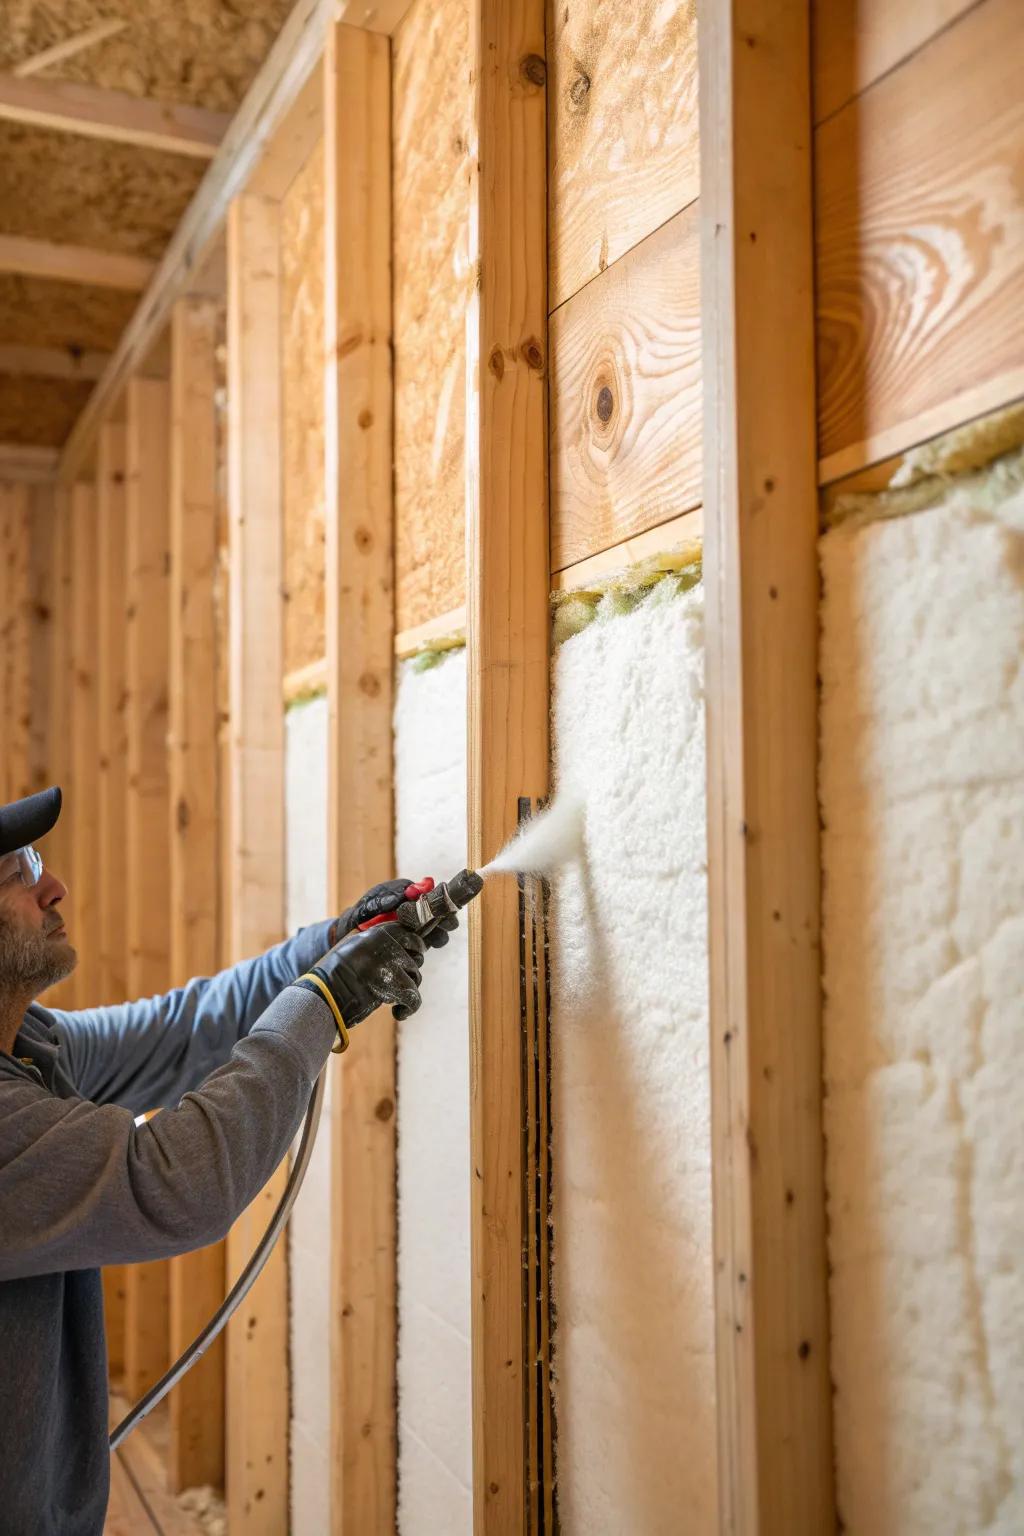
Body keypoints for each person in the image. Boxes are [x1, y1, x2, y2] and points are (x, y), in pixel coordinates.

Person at [0, 786, 451, 1536]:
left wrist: (329, 945)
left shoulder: (27, 1044)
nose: (53, 887)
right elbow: (178, 1182)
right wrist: (325, 998)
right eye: (17, 875)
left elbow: (180, 1031)